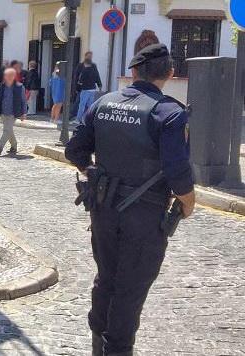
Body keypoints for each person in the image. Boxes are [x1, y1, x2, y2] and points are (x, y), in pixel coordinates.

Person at [65, 44, 196, 356]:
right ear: (169, 74)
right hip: (145, 217)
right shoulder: (169, 113)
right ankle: (118, 350)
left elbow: (74, 151)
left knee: (106, 277)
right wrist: (188, 205)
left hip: (103, 208)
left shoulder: (102, 103)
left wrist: (96, 174)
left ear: (134, 72)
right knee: (130, 288)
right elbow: (178, 174)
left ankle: (99, 344)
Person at [0, 68, 27, 155]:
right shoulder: (2, 86)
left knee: (6, 130)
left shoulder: (20, 87)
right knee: (9, 131)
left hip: (13, 113)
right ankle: (14, 146)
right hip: (3, 112)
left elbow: (23, 101)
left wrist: (24, 113)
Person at [75, 51, 102, 124]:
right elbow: (76, 77)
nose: (90, 57)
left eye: (91, 56)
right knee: (81, 104)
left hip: (89, 89)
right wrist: (76, 88)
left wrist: (99, 85)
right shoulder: (80, 65)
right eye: (89, 56)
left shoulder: (93, 66)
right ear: (85, 56)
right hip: (82, 88)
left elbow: (97, 75)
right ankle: (78, 118)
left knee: (86, 105)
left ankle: (82, 119)